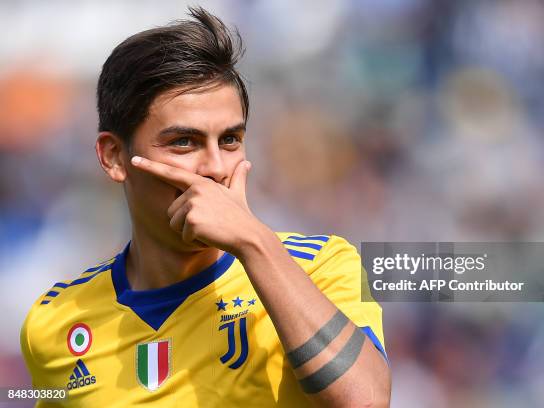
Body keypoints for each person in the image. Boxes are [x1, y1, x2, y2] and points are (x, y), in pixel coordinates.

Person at [20, 6, 391, 407]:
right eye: (184, 142)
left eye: (230, 140)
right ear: (114, 157)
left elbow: (366, 400)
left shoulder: (320, 266)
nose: (215, 167)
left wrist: (252, 241)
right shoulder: (55, 320)